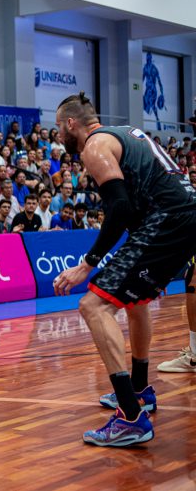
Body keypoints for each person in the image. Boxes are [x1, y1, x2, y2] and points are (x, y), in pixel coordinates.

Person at [52, 92, 196, 447]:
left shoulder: (95, 146)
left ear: (71, 123)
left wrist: (87, 263)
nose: (57, 136)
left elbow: (119, 209)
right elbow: (134, 205)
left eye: (58, 128)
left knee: (93, 306)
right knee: (135, 301)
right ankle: (140, 390)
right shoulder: (128, 133)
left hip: (167, 220)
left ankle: (131, 417)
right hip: (183, 216)